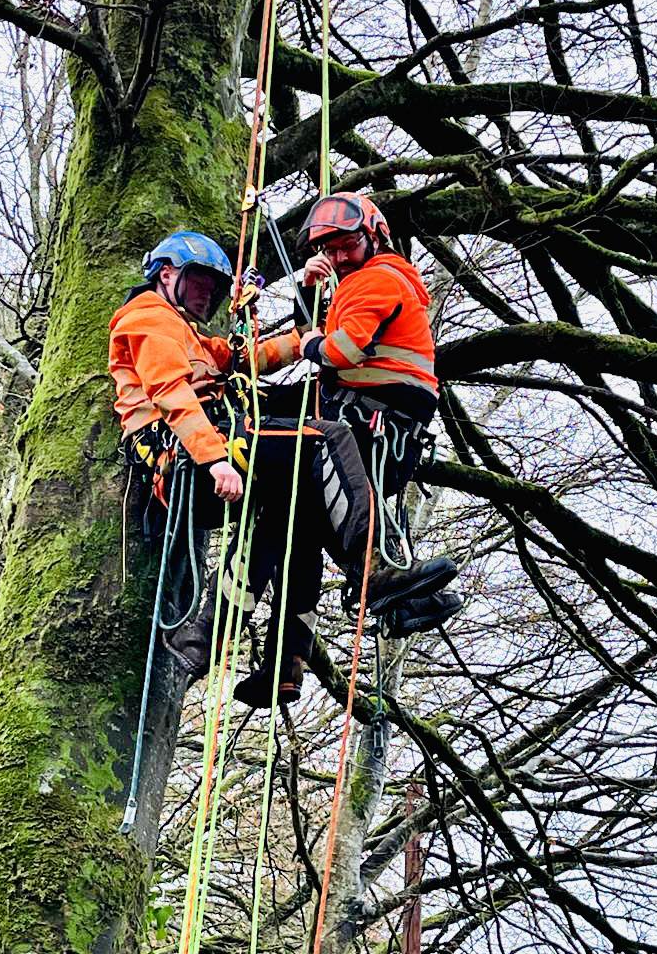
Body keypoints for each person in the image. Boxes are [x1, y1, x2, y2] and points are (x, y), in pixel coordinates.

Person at [109, 230, 457, 706]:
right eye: (198, 286)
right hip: (190, 450)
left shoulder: (184, 330)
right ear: (166, 275)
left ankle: (231, 645)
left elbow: (238, 360)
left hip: (207, 443)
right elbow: (172, 395)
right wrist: (213, 460)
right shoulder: (148, 318)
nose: (205, 297)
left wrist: (304, 339)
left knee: (293, 515)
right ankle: (373, 570)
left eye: (212, 291)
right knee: (325, 441)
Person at [295, 192, 462, 636]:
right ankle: (406, 600)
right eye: (330, 250)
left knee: (305, 452)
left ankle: (379, 578)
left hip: (372, 419)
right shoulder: (372, 282)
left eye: (347, 246)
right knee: (327, 509)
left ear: (374, 237)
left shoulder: (373, 280)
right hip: (388, 427)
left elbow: (340, 351)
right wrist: (309, 294)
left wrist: (309, 343)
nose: (339, 257)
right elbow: (330, 337)